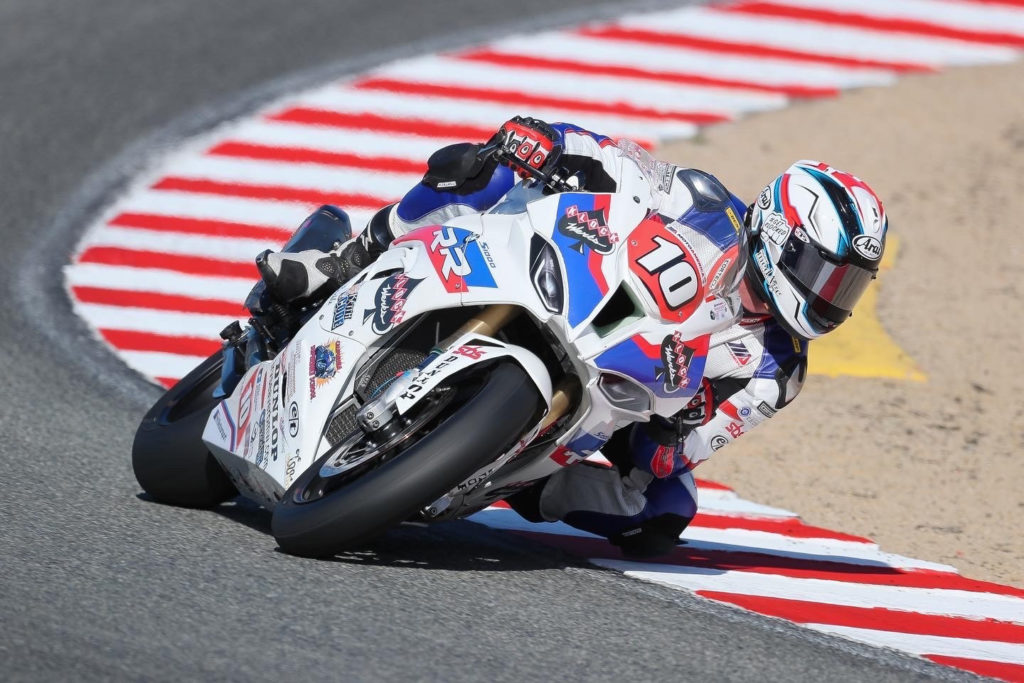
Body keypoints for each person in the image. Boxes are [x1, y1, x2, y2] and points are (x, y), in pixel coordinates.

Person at [255, 116, 889, 558]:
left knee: (663, 510)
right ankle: (345, 259)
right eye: (825, 274)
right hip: (570, 282)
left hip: (632, 397)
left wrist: (679, 431)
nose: (831, 295)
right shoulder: (703, 203)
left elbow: (693, 443)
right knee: (479, 168)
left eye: (848, 285)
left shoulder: (780, 368)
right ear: (779, 234)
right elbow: (620, 163)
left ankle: (521, 479)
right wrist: (548, 143)